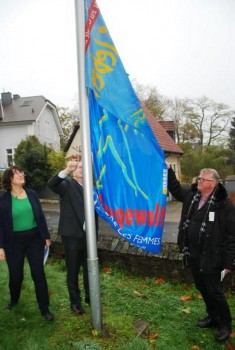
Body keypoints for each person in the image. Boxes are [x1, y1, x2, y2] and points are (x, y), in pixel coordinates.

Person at [167, 165, 235, 342]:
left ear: (212, 183)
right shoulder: (192, 196)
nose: (198, 181)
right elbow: (175, 189)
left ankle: (225, 325)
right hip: (194, 254)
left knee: (214, 291)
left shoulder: (224, 205)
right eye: (199, 178)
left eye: (202, 179)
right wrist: (168, 172)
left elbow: (231, 236)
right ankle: (213, 318)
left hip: (212, 256)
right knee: (202, 288)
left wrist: (228, 264)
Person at [0, 166, 53, 321]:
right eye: (17, 173)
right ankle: (14, 300)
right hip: (13, 242)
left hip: (34, 239)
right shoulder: (3, 200)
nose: (22, 175)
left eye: (22, 172)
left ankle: (45, 309)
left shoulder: (32, 194)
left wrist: (46, 237)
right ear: (9, 179)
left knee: (38, 274)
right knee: (16, 276)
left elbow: (40, 217)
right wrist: (1, 246)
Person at [48, 160, 98, 315]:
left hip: (89, 236)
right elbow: (52, 185)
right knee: (73, 270)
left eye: (85, 167)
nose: (82, 169)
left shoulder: (92, 188)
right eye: (79, 167)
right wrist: (66, 170)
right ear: (74, 171)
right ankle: (75, 302)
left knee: (90, 268)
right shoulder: (67, 184)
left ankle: (91, 297)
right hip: (72, 236)